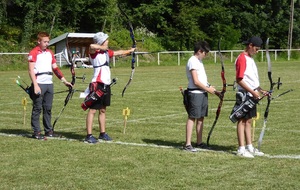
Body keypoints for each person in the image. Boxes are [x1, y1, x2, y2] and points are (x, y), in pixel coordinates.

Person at [82, 32, 135, 144]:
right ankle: (89, 135)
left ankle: (102, 133)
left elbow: (118, 52)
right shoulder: (94, 53)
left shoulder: (106, 53)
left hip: (106, 84)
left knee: (103, 109)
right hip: (97, 83)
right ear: (101, 42)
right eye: (106, 40)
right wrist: (103, 47)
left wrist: (130, 51)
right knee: (92, 110)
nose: (108, 42)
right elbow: (91, 46)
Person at [28, 32, 72, 140]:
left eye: (48, 41)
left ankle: (48, 131)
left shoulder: (50, 53)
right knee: (37, 108)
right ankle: (36, 131)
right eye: (45, 41)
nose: (47, 43)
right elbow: (31, 70)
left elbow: (55, 68)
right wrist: (35, 85)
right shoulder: (34, 52)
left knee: (48, 108)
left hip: (49, 83)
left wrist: (64, 80)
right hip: (39, 83)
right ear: (39, 41)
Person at [232, 36, 269, 158]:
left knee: (248, 120)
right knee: (241, 120)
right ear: (250, 45)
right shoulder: (242, 58)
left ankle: (249, 146)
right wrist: (252, 92)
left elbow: (252, 80)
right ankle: (241, 149)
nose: (257, 52)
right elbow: (239, 80)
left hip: (251, 94)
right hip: (245, 94)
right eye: (256, 49)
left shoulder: (250, 59)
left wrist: (261, 90)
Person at [183, 41, 217, 152]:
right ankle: (187, 144)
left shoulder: (199, 61)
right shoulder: (192, 61)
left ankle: (199, 142)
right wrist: (208, 89)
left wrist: (214, 90)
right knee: (192, 117)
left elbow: (203, 80)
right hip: (195, 93)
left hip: (202, 93)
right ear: (199, 51)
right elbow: (196, 81)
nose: (205, 55)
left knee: (201, 118)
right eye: (205, 53)